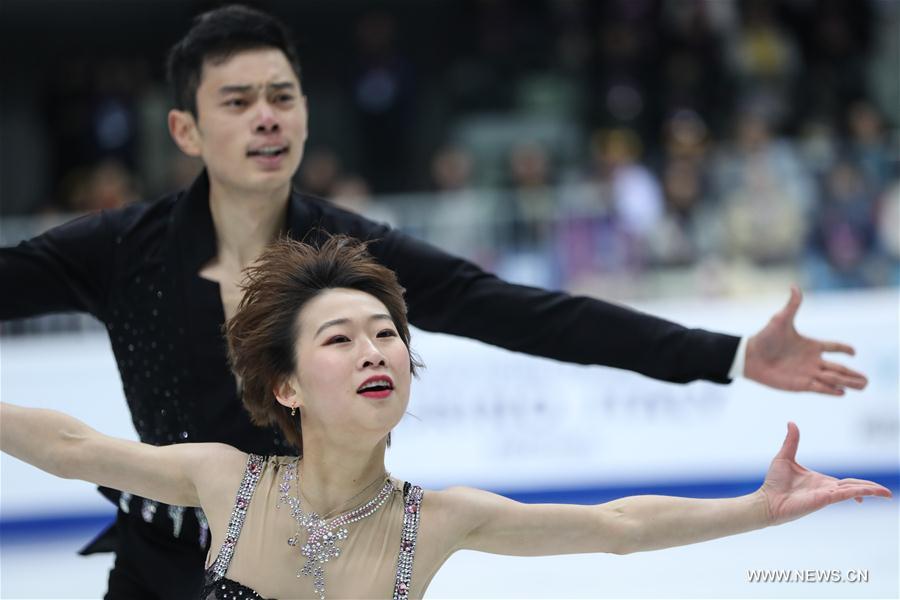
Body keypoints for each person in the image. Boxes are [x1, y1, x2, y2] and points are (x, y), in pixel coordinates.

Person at [0, 5, 868, 599]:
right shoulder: (121, 250)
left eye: (283, 96)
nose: (267, 117)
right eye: (238, 101)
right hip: (159, 565)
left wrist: (727, 353)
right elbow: (69, 444)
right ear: (185, 129)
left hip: (352, 557)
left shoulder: (353, 259)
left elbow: (525, 312)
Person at [1, 236, 891, 600]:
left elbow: (617, 527)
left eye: (386, 333)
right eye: (340, 339)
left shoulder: (434, 523)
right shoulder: (225, 481)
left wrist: (756, 509)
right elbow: (73, 446)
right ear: (287, 387)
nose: (375, 351)